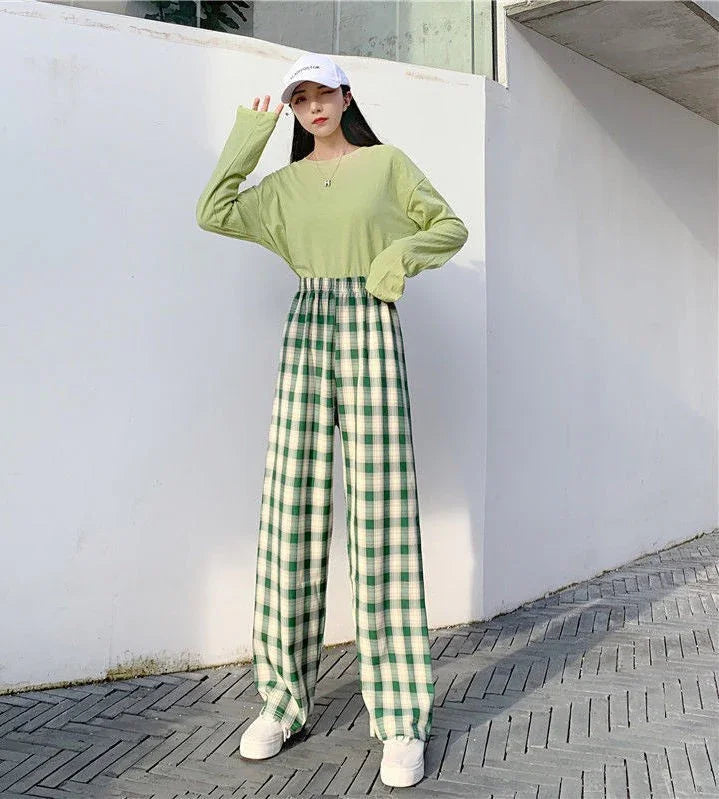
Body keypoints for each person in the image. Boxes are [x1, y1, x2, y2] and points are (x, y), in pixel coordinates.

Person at [195, 51, 468, 789]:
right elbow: (213, 210)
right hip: (308, 322)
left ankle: (401, 718)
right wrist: (247, 138)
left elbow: (448, 226)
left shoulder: (386, 164)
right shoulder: (282, 187)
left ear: (347, 97)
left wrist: (397, 258)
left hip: (371, 324)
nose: (314, 106)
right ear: (291, 109)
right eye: (300, 98)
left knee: (382, 515)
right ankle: (282, 702)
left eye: (325, 92)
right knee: (290, 512)